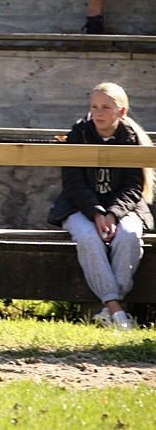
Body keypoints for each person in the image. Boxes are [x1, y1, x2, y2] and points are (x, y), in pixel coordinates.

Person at [47, 83, 152, 330]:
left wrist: (113, 214)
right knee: (88, 238)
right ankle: (117, 309)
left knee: (128, 236)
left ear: (121, 111)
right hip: (79, 206)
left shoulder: (131, 138)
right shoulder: (79, 133)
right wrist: (96, 212)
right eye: (94, 106)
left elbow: (133, 186)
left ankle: (109, 310)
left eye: (106, 107)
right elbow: (73, 182)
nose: (98, 113)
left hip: (125, 209)